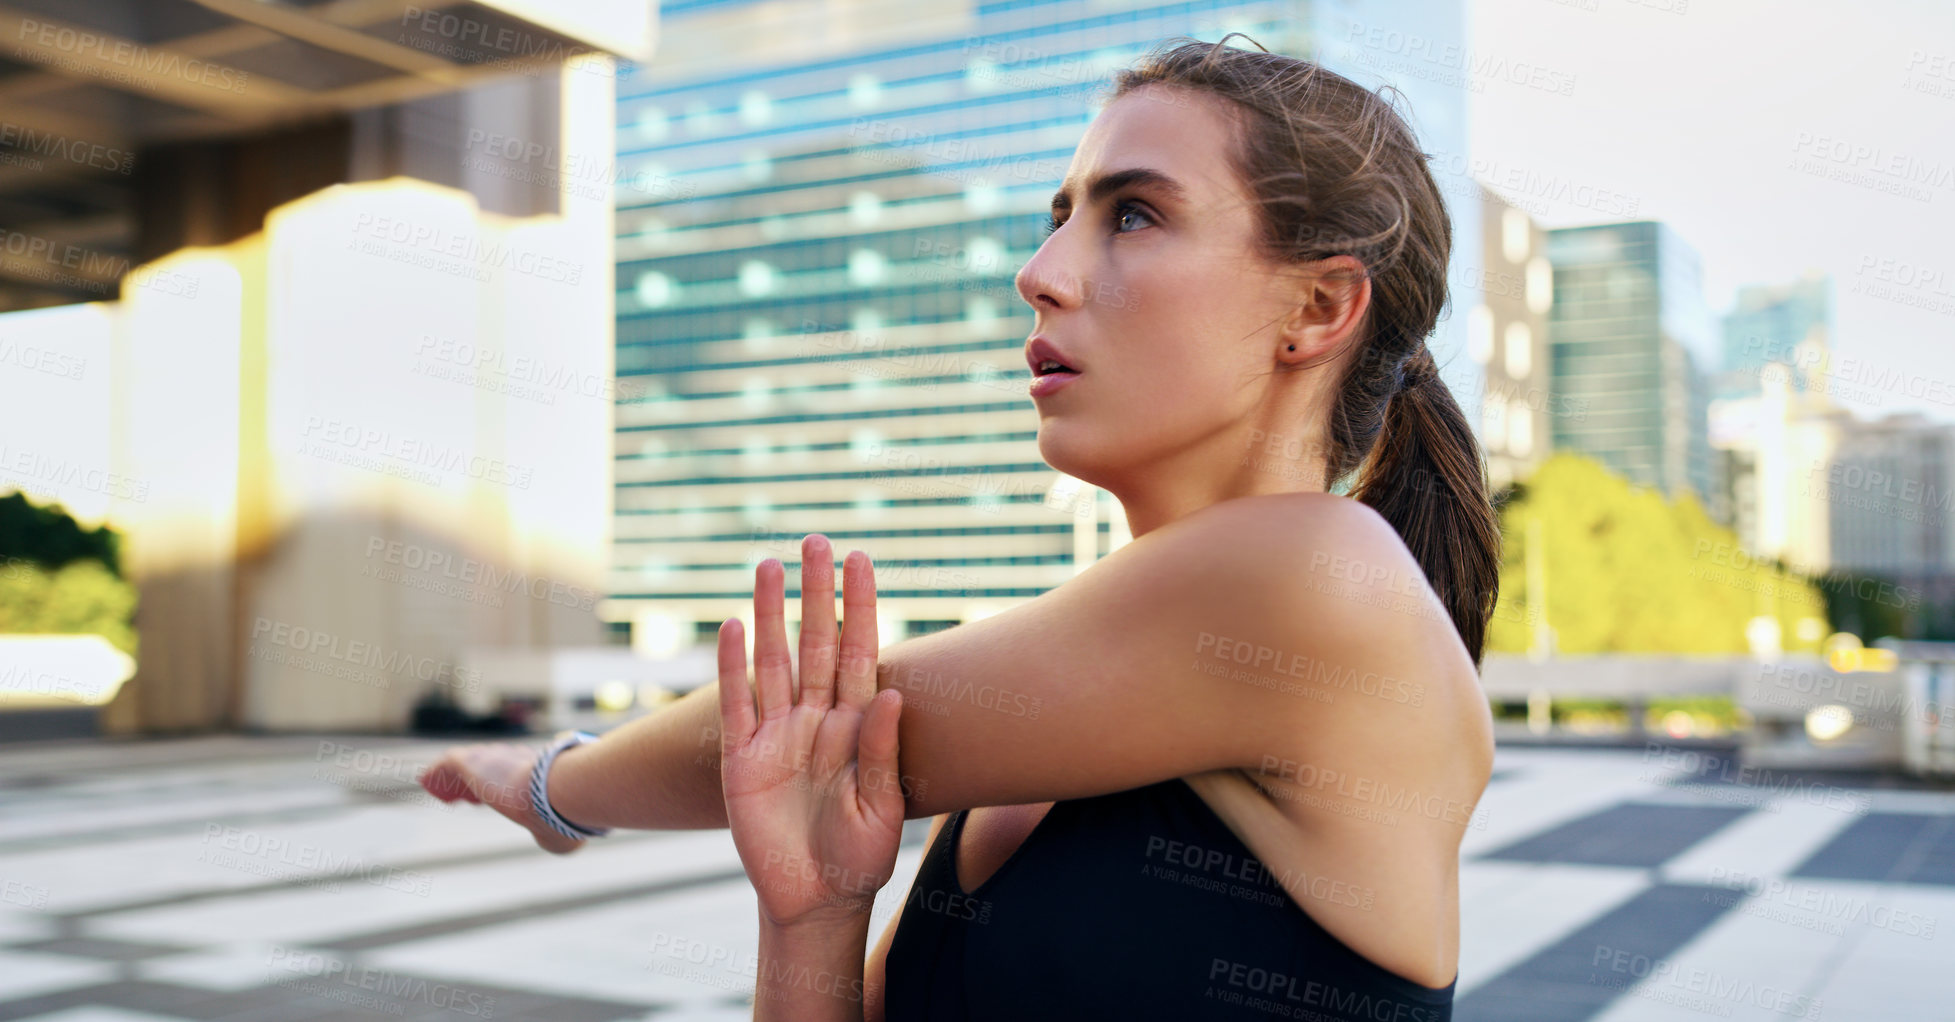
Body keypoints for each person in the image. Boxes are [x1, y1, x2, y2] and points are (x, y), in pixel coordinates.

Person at [420, 33, 1499, 1021]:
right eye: (1058, 215)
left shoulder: (1318, 575)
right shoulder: (1030, 739)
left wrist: (555, 784)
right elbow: (817, 750)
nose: (1038, 275)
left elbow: (826, 712)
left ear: (1317, 308)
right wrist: (814, 919)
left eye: (1132, 213)